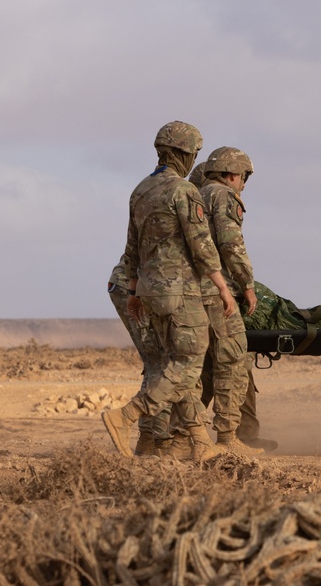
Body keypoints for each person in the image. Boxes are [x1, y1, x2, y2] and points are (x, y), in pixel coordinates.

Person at [101, 121, 236, 461]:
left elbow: (132, 248)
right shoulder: (184, 191)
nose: (194, 160)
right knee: (190, 362)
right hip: (181, 291)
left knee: (170, 365)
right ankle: (125, 417)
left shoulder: (140, 191)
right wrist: (223, 288)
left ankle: (199, 442)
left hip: (148, 291)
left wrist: (133, 292)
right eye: (193, 154)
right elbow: (202, 246)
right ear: (182, 154)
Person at [187, 147, 275, 455]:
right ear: (232, 174)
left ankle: (181, 436)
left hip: (190, 294)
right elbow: (230, 245)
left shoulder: (193, 195)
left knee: (201, 370)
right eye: (244, 177)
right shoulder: (222, 196)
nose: (244, 185)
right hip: (215, 293)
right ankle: (228, 438)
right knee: (233, 363)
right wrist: (246, 285)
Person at [107, 255, 164, 456]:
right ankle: (158, 439)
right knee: (161, 363)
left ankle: (149, 439)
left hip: (136, 284)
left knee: (157, 363)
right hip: (136, 287)